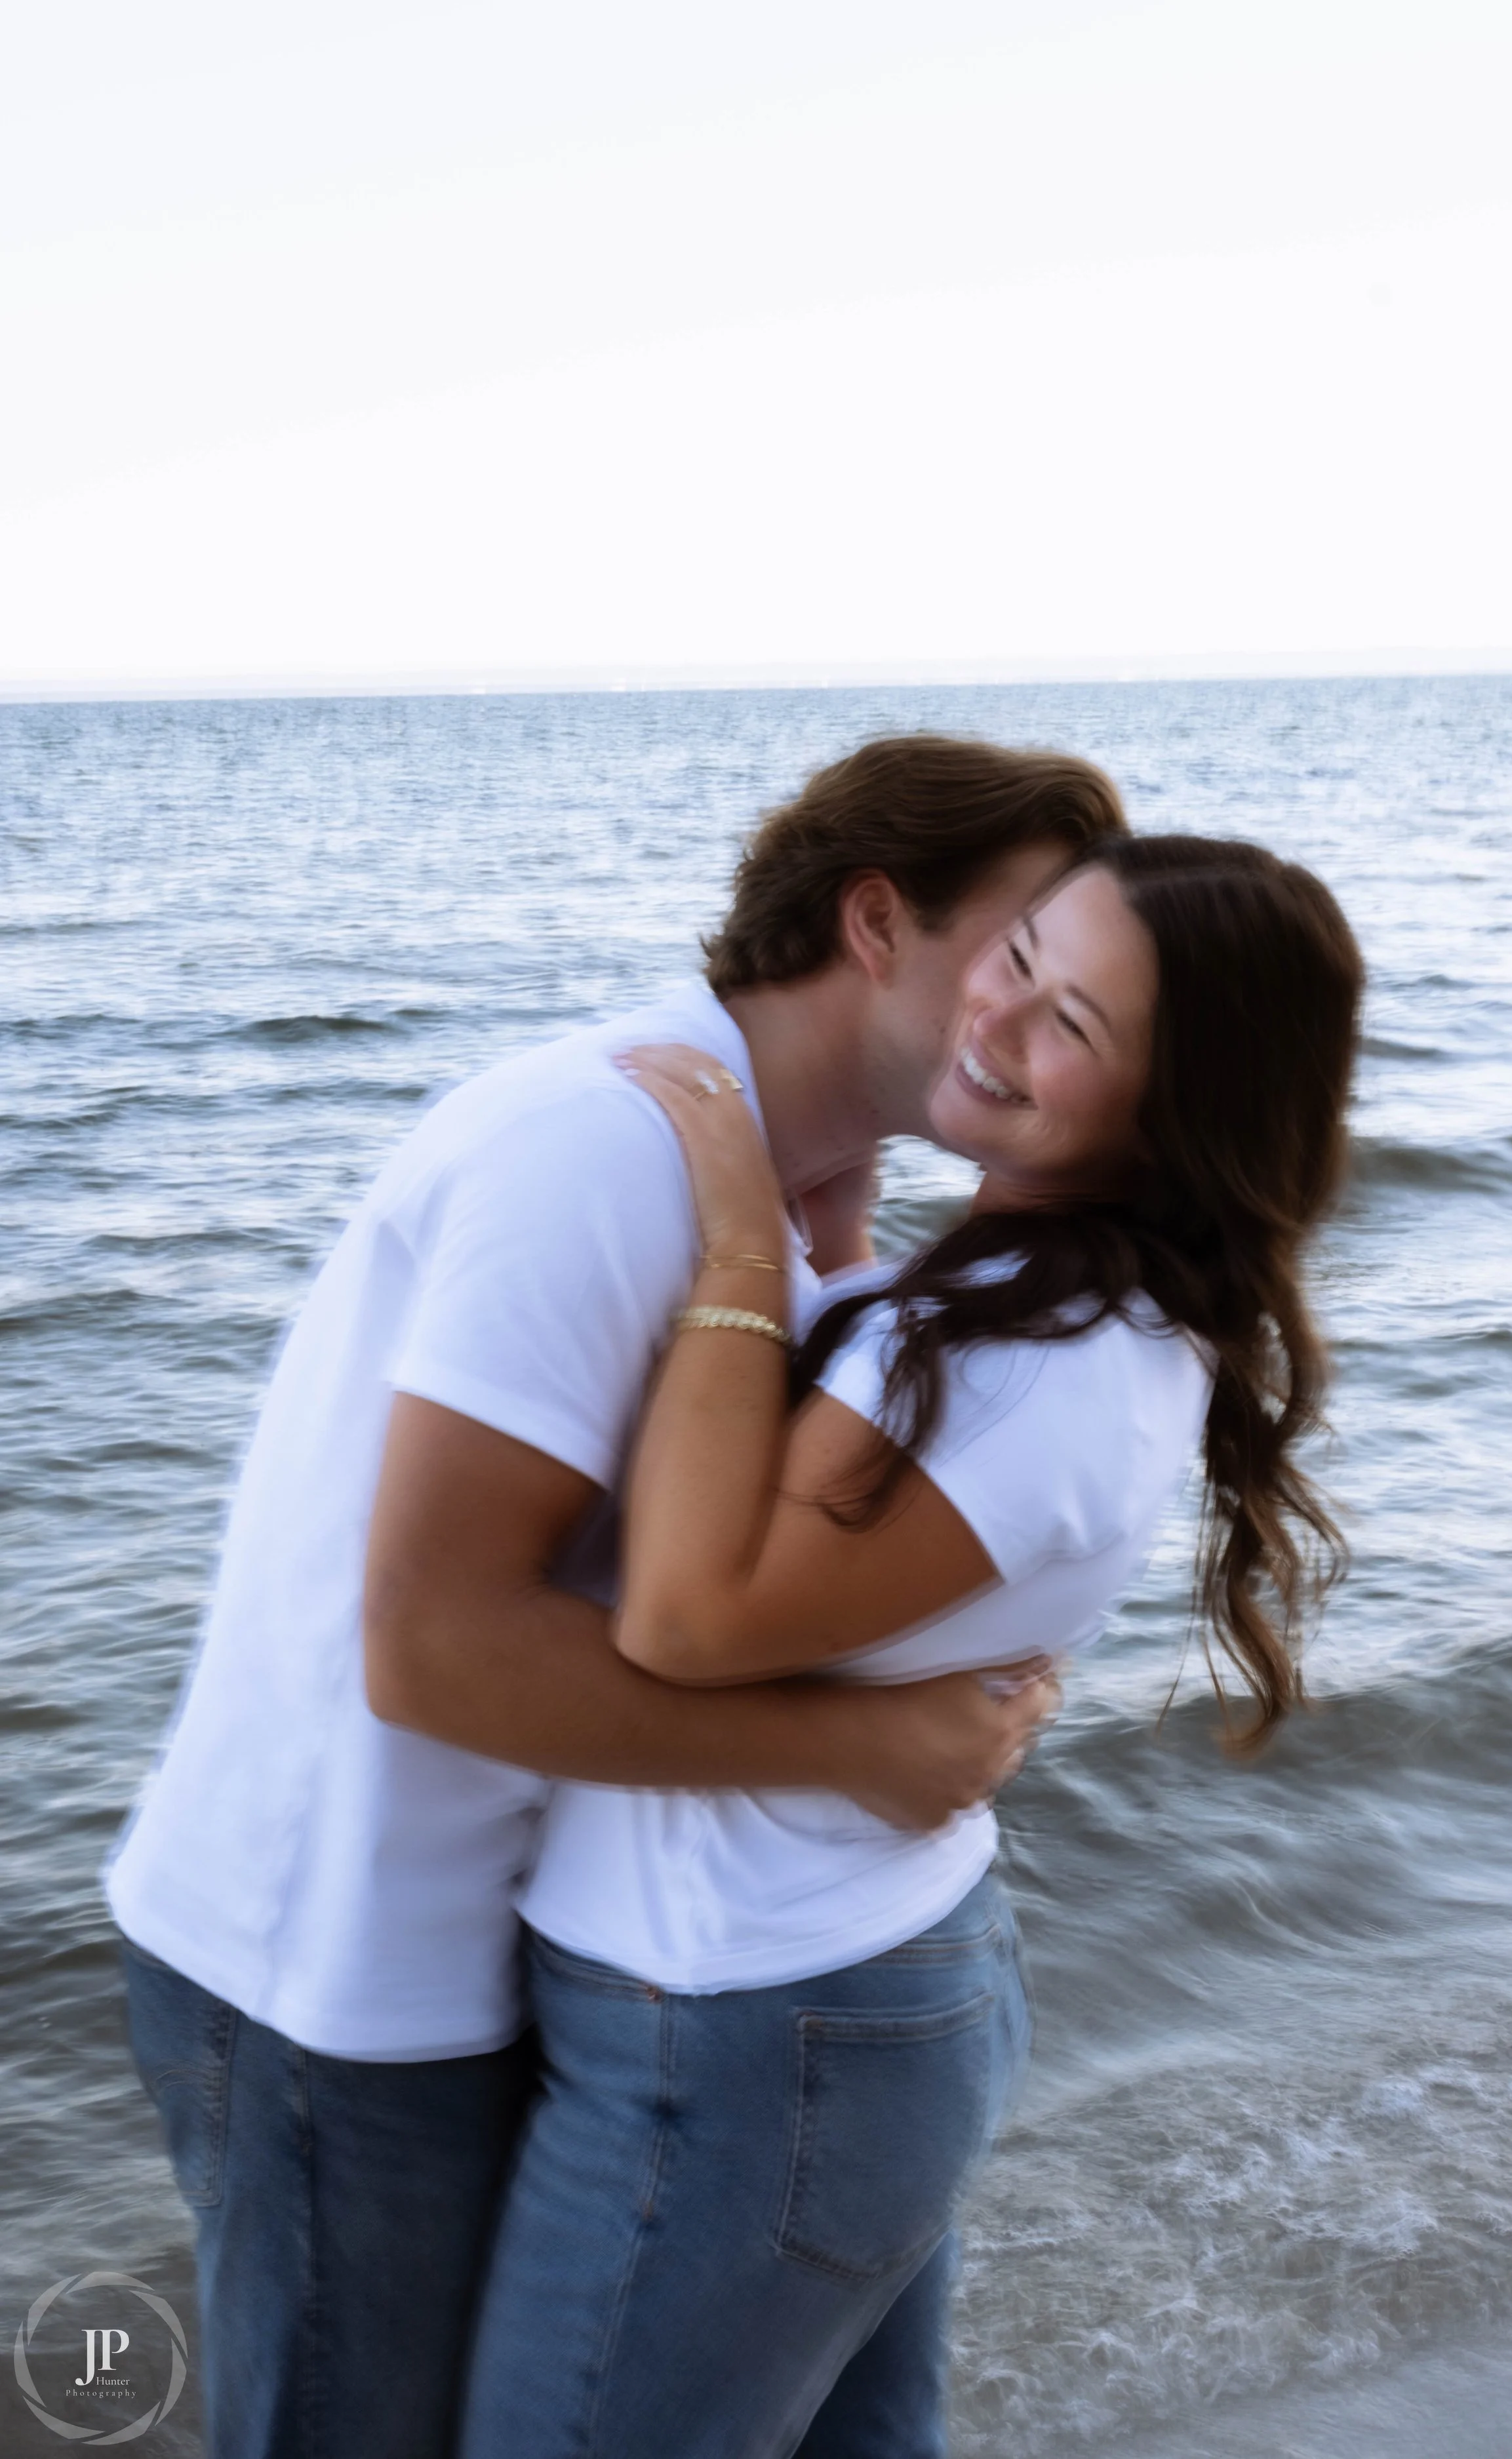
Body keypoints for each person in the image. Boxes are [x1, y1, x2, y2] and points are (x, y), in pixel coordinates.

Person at [106, 734, 1124, 2459]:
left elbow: (747, 1543)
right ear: (878, 921)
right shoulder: (601, 1141)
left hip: (530, 1958)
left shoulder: (786, 1196)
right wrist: (861, 1747)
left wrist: (836, 1264)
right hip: (338, 1972)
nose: (1048, 1008)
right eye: (1021, 949)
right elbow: (435, 1647)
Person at [456, 833, 1365, 2459]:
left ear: (1179, 1115)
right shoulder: (1046, 1295)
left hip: (750, 2035)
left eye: (1071, 1028)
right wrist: (836, 1255)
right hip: (831, 2004)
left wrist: (742, 1243)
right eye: (1019, 958)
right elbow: (877, 1503)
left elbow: (684, 1615)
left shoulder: (1048, 1357)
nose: (995, 1024)